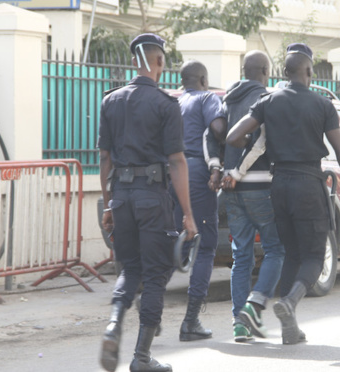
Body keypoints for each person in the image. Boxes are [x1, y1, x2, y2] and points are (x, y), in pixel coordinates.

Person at [227, 43, 340, 345]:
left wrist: (255, 148)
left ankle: (282, 323)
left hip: (279, 185)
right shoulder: (322, 105)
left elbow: (233, 136)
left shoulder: (268, 101)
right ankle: (290, 303)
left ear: (284, 72)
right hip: (309, 183)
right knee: (313, 256)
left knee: (291, 255)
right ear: (309, 71)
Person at [97, 33, 197, 372]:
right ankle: (141, 358)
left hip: (122, 198)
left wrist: (109, 205)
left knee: (130, 267)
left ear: (133, 62)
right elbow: (177, 163)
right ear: (159, 62)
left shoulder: (110, 101)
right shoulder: (166, 105)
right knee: (155, 276)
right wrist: (188, 215)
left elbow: (105, 160)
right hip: (153, 198)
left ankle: (113, 324)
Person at [221, 50, 285, 342]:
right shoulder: (266, 99)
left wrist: (220, 169)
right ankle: (252, 307)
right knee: (274, 249)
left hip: (231, 190)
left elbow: (214, 136)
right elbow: (260, 143)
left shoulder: (228, 97)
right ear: (264, 71)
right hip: (258, 186)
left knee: (241, 256)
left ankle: (239, 324)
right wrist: (238, 171)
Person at [174, 60, 227, 342]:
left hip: (171, 173)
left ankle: (151, 314)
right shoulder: (208, 98)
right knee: (205, 245)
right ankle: (191, 320)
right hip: (195, 171)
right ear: (204, 80)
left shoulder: (175, 101)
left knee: (175, 243)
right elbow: (218, 129)